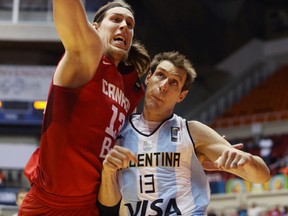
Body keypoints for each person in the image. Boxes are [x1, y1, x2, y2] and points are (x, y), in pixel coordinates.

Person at [98, 51, 271, 215]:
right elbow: (108, 203)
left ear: (181, 95)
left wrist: (248, 161)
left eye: (174, 82)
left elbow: (262, 176)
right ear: (148, 78)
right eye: (160, 75)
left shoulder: (192, 131)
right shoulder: (120, 130)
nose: (164, 85)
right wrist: (108, 173)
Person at [19, 0, 150, 215]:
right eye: (116, 19)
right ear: (95, 27)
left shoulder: (132, 88)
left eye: (130, 23)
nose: (124, 26)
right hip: (49, 204)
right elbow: (68, 11)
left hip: (90, 205)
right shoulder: (87, 55)